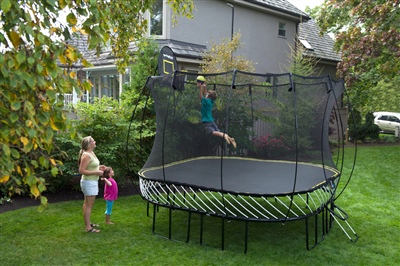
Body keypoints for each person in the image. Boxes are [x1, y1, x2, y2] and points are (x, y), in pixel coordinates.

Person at [197, 75, 236, 148]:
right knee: (218, 132)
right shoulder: (211, 101)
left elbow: (201, 96)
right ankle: (230, 138)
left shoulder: (206, 102)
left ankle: (225, 136)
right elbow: (205, 94)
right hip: (211, 121)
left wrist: (200, 88)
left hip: (207, 122)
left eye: (208, 94)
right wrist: (204, 87)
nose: (206, 94)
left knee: (213, 132)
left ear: (209, 96)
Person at [78, 136, 105, 233]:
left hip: (92, 181)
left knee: (87, 204)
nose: (95, 141)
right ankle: (88, 228)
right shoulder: (86, 155)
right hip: (89, 182)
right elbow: (81, 170)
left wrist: (99, 167)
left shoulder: (91, 153)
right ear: (89, 144)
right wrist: (96, 172)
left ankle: (88, 223)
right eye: (93, 141)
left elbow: (91, 166)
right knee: (89, 204)